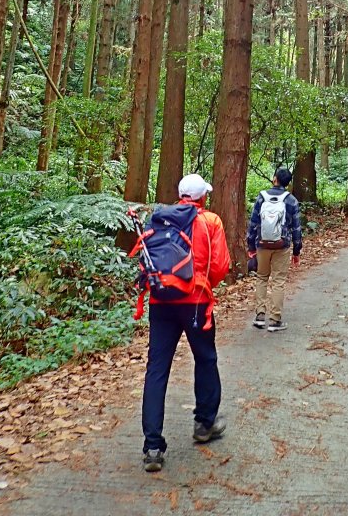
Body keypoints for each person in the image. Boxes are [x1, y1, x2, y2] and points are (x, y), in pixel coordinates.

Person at [141, 173, 231, 473]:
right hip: (196, 302)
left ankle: (153, 446)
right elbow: (220, 266)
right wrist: (204, 284)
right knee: (205, 359)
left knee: (156, 369)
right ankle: (205, 424)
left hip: (161, 301)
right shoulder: (210, 222)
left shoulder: (160, 219)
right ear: (202, 197)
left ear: (180, 195)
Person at [246, 166, 302, 332]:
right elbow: (296, 228)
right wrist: (296, 251)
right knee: (278, 281)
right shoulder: (291, 200)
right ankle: (275, 319)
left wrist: (251, 246)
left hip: (262, 244)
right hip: (282, 245)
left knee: (262, 277)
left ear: (274, 179)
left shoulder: (261, 197)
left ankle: (260, 316)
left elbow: (253, 223)